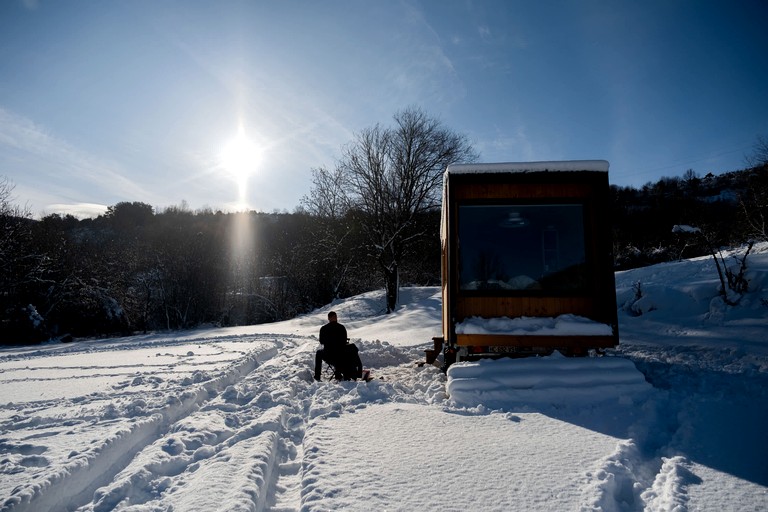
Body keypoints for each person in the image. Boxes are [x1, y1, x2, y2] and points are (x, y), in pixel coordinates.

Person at [314, 311, 363, 381]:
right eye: (335, 317)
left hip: (329, 355)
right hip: (341, 355)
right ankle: (338, 373)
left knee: (318, 353)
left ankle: (317, 376)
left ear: (328, 318)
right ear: (336, 318)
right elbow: (344, 341)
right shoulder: (341, 327)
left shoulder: (324, 328)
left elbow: (321, 341)